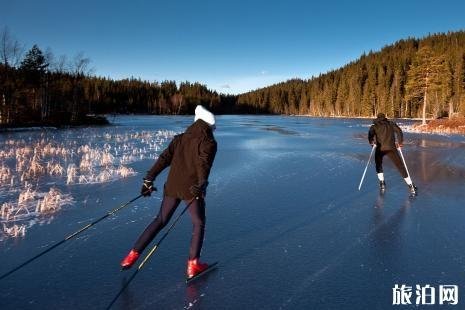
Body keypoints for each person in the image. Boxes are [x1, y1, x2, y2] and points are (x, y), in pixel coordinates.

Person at [120, 105, 217, 279]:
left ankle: (131, 256)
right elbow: (204, 163)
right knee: (198, 223)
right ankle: (193, 265)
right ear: (208, 125)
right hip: (191, 189)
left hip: (172, 186)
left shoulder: (180, 139)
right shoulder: (209, 142)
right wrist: (202, 183)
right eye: (213, 126)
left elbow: (164, 158)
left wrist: (149, 178)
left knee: (161, 219)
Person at [368, 113, 417, 194]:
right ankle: (411, 185)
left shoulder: (374, 126)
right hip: (391, 148)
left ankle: (382, 183)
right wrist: (400, 142)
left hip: (380, 149)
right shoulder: (391, 124)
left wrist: (371, 142)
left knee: (378, 164)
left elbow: (370, 134)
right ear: (384, 118)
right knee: (400, 166)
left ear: (377, 118)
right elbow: (399, 131)